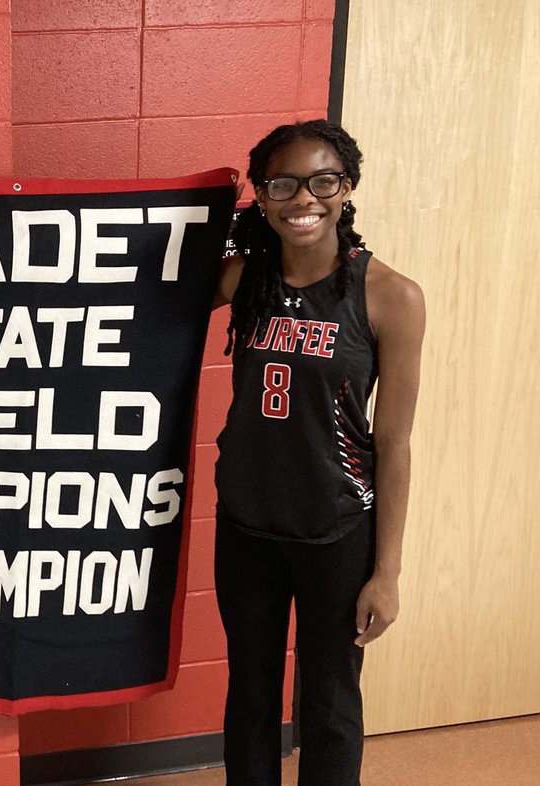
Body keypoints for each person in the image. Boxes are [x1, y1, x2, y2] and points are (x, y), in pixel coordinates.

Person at [212, 120, 425, 785]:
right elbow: (156, 277)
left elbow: (392, 441)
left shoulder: (391, 295)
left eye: (323, 180)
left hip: (336, 527)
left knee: (330, 706)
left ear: (347, 187)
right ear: (263, 195)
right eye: (283, 184)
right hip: (246, 522)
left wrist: (386, 571)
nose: (304, 199)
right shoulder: (243, 278)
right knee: (249, 697)